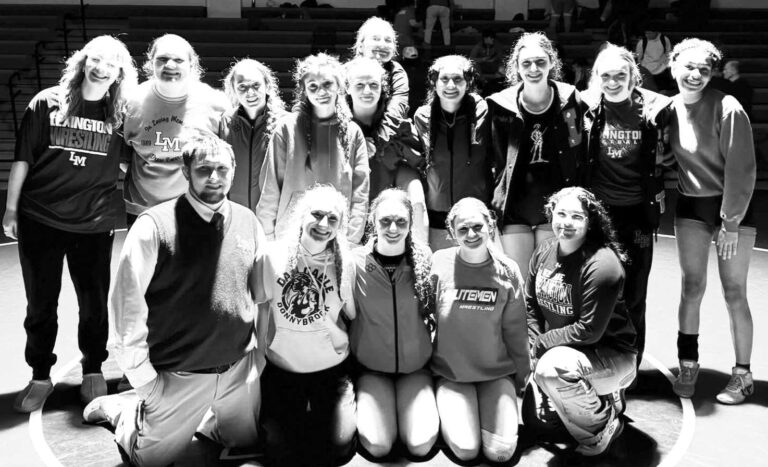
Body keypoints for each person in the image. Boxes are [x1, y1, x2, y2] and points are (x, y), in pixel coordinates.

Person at [82, 133, 266, 466]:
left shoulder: (248, 221)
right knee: (149, 461)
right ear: (185, 171)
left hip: (237, 371)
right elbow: (126, 309)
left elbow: (261, 295)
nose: (214, 177)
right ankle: (124, 410)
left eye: (222, 169)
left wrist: (259, 358)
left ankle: (205, 414)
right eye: (203, 169)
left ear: (234, 170)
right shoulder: (153, 226)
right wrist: (145, 383)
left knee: (245, 443)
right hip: (177, 374)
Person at [4, 35, 137, 413]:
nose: (101, 68)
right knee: (40, 304)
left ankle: (93, 368)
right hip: (40, 218)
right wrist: (11, 209)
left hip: (93, 224)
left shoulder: (121, 115)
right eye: (96, 59)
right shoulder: (46, 102)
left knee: (94, 304)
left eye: (110, 64)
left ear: (119, 73)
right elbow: (23, 159)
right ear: (82, 61)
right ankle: (40, 376)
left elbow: (132, 162)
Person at [668, 39, 756, 404]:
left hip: (731, 207)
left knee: (734, 291)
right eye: (689, 67)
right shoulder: (668, 108)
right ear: (673, 65)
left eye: (704, 70)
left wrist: (730, 222)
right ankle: (688, 364)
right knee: (691, 287)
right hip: (692, 205)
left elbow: (742, 168)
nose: (695, 75)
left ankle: (743, 376)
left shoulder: (728, 107)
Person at [524, 187, 637, 456]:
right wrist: (532, 346)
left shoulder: (602, 264)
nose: (566, 222)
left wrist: (542, 346)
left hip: (611, 356)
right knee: (537, 422)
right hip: (568, 352)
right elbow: (530, 306)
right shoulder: (544, 251)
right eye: (561, 214)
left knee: (551, 372)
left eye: (577, 216)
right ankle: (604, 397)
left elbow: (588, 331)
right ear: (551, 214)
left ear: (590, 222)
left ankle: (603, 426)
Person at [583, 44, 671, 370]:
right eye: (605, 75)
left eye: (620, 75)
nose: (613, 82)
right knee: (598, 288)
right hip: (599, 215)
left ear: (633, 75)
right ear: (596, 77)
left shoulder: (655, 109)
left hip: (637, 214)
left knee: (634, 293)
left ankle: (630, 365)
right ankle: (597, 359)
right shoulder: (587, 108)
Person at [256, 184, 357, 466]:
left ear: (339, 226)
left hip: (331, 369)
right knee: (279, 452)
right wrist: (260, 357)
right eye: (317, 214)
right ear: (302, 215)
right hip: (284, 369)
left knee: (338, 448)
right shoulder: (272, 256)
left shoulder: (345, 262)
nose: (323, 224)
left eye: (333, 219)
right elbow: (260, 309)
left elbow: (351, 314)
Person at [430, 197, 529, 462]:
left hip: (496, 374)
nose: (471, 234)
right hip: (451, 374)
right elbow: (424, 318)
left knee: (501, 452)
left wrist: (524, 378)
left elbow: (516, 331)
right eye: (462, 229)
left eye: (477, 226)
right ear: (452, 233)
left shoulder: (508, 271)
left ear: (490, 226)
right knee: (467, 449)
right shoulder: (439, 262)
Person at [487, 32, 586, 279]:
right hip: (514, 209)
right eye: (527, 63)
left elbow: (576, 145)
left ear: (552, 62)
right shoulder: (500, 104)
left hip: (556, 208)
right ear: (517, 67)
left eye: (541, 61)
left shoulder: (569, 99)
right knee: (521, 281)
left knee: (549, 282)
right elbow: (495, 160)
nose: (534, 69)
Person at [349, 189, 439, 458]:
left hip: (415, 370)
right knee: (378, 445)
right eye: (385, 221)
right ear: (372, 221)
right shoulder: (355, 262)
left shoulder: (424, 258)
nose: (392, 228)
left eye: (401, 221)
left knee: (420, 444)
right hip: (372, 370)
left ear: (410, 223)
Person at [117, 34, 230, 225]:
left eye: (178, 60)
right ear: (151, 63)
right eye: (162, 59)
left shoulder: (215, 103)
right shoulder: (131, 102)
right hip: (144, 212)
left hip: (198, 210)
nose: (170, 65)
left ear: (192, 65)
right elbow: (124, 159)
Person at [257, 53, 369, 244]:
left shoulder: (353, 133)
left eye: (327, 84)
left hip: (335, 237)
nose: (321, 92)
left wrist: (350, 240)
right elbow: (270, 188)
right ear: (304, 90)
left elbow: (360, 194)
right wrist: (267, 238)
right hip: (291, 235)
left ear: (339, 86)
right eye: (313, 86)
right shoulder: (287, 128)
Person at [414, 55, 492, 251]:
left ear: (468, 82)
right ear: (434, 82)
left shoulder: (481, 112)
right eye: (444, 79)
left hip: (475, 215)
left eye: (458, 79)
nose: (451, 85)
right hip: (437, 214)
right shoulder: (423, 117)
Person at [345, 57, 428, 242]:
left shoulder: (398, 128)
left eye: (374, 85)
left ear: (382, 87)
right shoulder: (338, 126)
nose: (367, 91)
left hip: (390, 219)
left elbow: (412, 167)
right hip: (348, 216)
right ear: (347, 88)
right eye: (359, 85)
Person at [220, 58, 287, 211]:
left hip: (272, 216)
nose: (250, 93)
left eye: (256, 85)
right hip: (236, 214)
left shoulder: (285, 122)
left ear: (267, 85)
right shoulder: (226, 121)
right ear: (233, 89)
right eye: (242, 86)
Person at [352, 17, 411, 144]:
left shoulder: (397, 72)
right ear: (361, 46)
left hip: (388, 138)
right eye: (376, 39)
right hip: (352, 137)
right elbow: (340, 109)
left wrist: (376, 141)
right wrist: (357, 141)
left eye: (388, 40)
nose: (383, 44)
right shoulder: (346, 71)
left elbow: (395, 111)